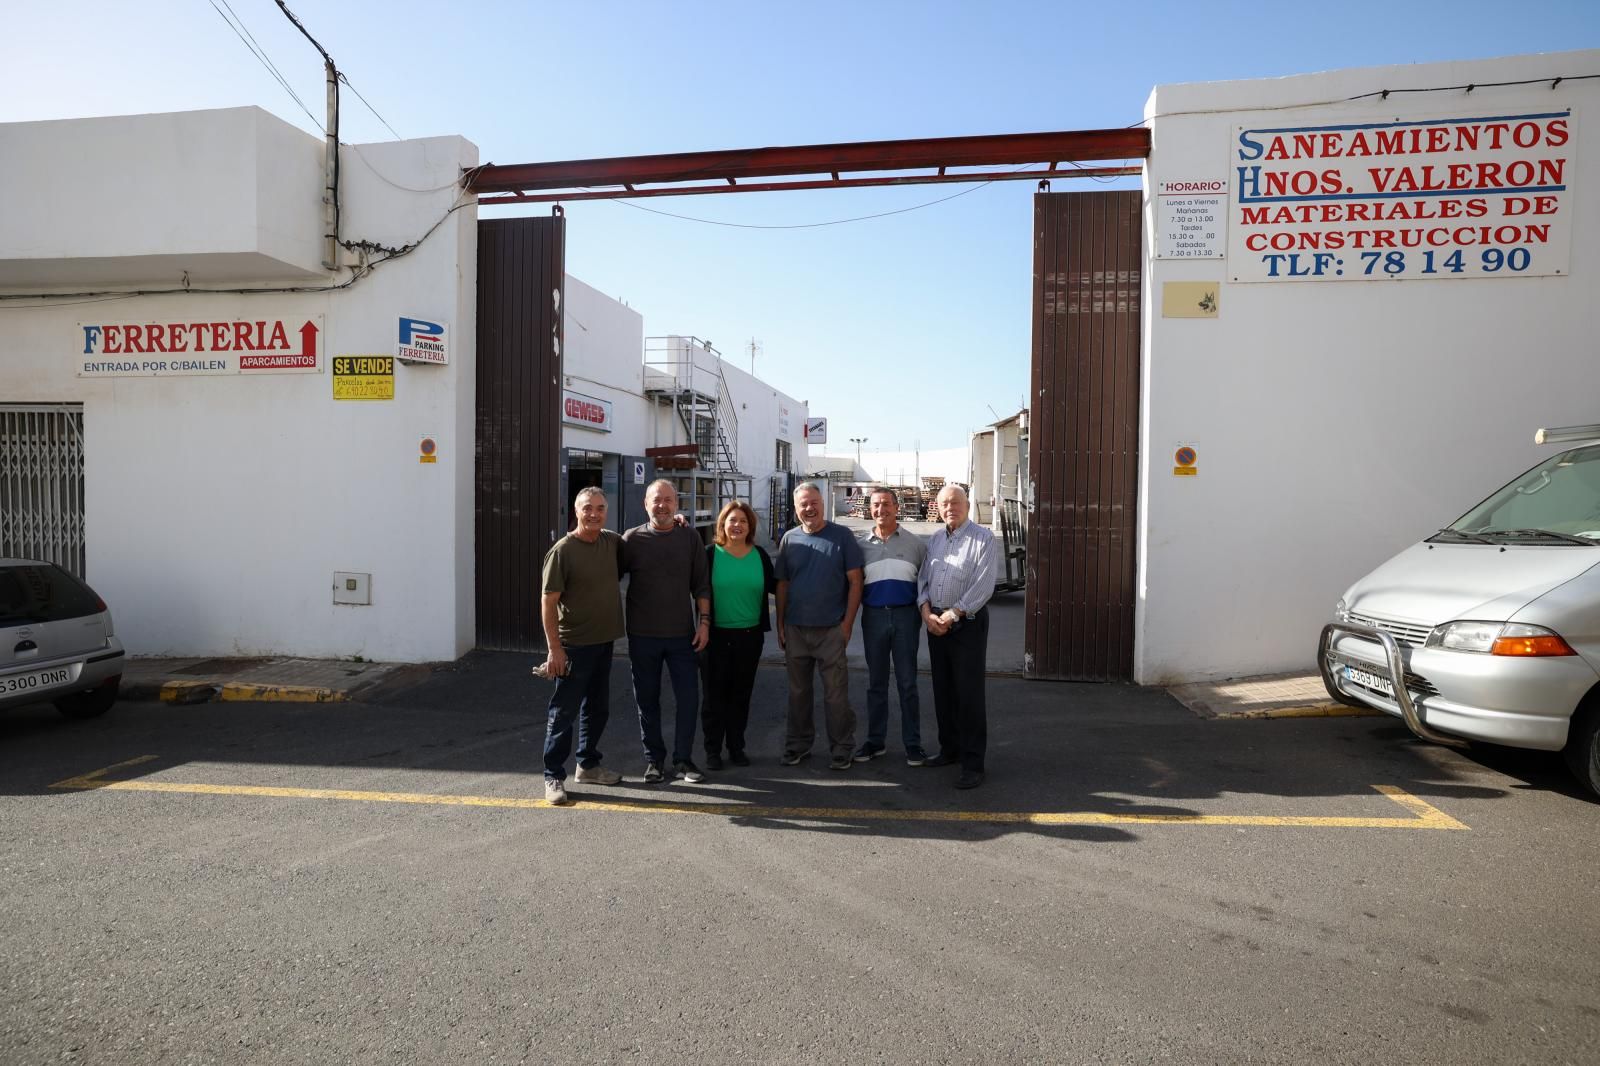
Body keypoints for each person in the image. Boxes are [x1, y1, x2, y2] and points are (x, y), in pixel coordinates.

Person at [538, 487, 627, 806]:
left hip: (604, 642)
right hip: (573, 646)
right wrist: (554, 649)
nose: (594, 513)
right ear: (576, 511)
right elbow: (548, 602)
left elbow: (637, 537)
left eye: (600, 508)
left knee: (597, 708)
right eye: (587, 508)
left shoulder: (610, 541)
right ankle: (553, 775)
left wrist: (678, 519)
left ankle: (587, 765)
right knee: (563, 712)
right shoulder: (563, 551)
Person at [622, 479, 711, 784]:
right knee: (647, 700)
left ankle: (683, 759)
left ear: (677, 504)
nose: (662, 505)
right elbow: (605, 573)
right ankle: (654, 761)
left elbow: (701, 583)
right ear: (645, 504)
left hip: (681, 637)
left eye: (668, 500)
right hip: (641, 636)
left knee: (688, 699)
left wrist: (704, 623)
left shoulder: (689, 538)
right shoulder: (631, 540)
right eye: (656, 500)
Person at [775, 482, 864, 771]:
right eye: (804, 504)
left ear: (823, 504)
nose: (809, 508)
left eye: (814, 502)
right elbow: (783, 585)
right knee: (797, 693)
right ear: (796, 508)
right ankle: (797, 745)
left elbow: (855, 582)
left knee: (835, 693)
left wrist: (847, 625)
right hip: (796, 629)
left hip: (830, 630)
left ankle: (841, 748)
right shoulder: (789, 539)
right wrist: (780, 624)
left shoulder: (842, 536)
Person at [918, 484, 998, 789]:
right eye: (944, 504)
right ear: (937, 508)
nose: (950, 508)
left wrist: (952, 615)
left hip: (966, 624)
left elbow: (983, 585)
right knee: (943, 691)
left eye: (956, 503)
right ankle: (949, 749)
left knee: (969, 695)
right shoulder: (936, 539)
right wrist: (926, 612)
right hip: (936, 623)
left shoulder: (983, 538)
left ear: (967, 505)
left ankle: (973, 762)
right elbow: (923, 579)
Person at [853, 487, 930, 766]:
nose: (880, 510)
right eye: (875, 505)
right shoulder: (860, 545)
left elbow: (926, 582)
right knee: (876, 684)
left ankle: (913, 744)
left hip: (905, 617)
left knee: (908, 683)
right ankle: (875, 742)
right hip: (873, 617)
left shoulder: (916, 544)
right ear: (869, 509)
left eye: (886, 504)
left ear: (897, 508)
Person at [700, 500, 776, 770]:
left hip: (750, 636)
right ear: (722, 524)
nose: (737, 525)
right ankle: (712, 751)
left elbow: (780, 588)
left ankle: (736, 747)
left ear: (750, 526)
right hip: (716, 636)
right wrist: (703, 623)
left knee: (740, 695)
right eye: (732, 520)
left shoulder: (760, 556)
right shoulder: (710, 554)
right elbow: (700, 592)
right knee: (714, 696)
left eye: (743, 521)